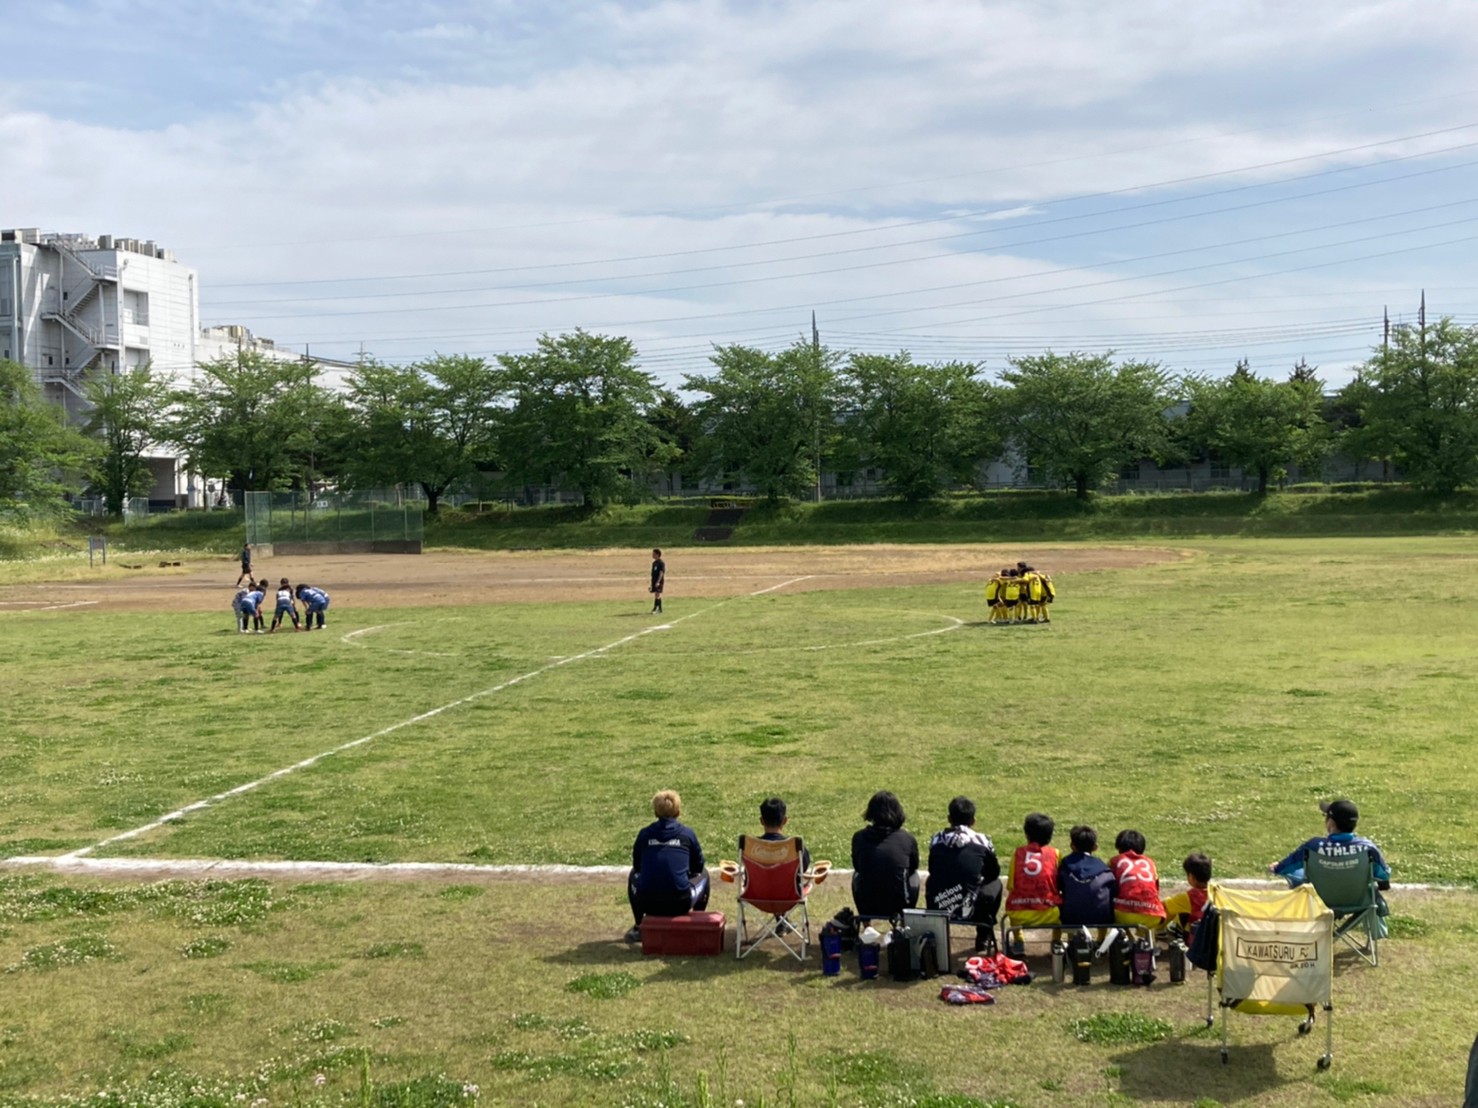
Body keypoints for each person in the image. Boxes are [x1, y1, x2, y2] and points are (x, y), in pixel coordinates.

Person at [1268, 798, 1391, 933]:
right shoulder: (1368, 848)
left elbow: (1285, 868)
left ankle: (1309, 934)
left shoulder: (1313, 846)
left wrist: (1276, 867)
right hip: (1359, 901)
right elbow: (1384, 875)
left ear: (1331, 823)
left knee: (1297, 877)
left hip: (1318, 901)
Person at [626, 789, 709, 943]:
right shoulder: (687, 834)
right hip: (680, 903)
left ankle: (639, 926)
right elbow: (698, 866)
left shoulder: (644, 834)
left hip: (648, 903)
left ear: (655, 813)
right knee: (704, 875)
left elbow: (637, 867)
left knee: (633, 875)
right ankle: (696, 923)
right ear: (678, 812)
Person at [926, 796, 1004, 952]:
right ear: (973, 820)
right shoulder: (982, 841)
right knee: (996, 884)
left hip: (940, 904)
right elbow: (993, 873)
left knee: (930, 881)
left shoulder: (936, 839)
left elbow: (932, 869)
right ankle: (983, 934)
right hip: (974, 907)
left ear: (949, 818)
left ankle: (936, 934)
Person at [850, 790, 919, 919]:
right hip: (899, 904)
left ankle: (866, 924)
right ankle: (905, 922)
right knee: (914, 876)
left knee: (856, 876)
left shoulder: (859, 837)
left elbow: (857, 867)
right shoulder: (907, 839)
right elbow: (913, 868)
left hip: (868, 904)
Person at [1003, 812, 1061, 954]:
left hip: (1019, 913)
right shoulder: (1055, 853)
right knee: (1062, 910)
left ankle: (1018, 941)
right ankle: (1056, 942)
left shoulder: (1018, 853)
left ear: (1026, 835)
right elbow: (1059, 884)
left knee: (1013, 902)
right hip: (1049, 913)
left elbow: (1011, 885)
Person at [1058, 825, 1116, 928]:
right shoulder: (1104, 869)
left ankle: (1069, 940)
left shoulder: (1065, 866)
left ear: (1072, 845)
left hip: (1070, 918)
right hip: (1102, 918)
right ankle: (1100, 939)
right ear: (1095, 847)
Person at [1109, 829, 1167, 932]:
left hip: (1123, 915)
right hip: (1153, 915)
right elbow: (1156, 888)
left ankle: (1120, 939)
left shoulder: (1114, 861)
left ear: (1119, 848)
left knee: (1114, 903)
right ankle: (1144, 941)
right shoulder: (1150, 862)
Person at [1161, 852, 1213, 941]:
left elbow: (1164, 906)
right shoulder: (1217, 892)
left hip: (1194, 942)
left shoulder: (1188, 897)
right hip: (1214, 938)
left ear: (1191, 877)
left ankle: (1160, 932)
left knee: (1171, 907)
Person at [649, 548, 666, 614]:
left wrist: (658, 581)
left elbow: (661, 573)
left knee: (657, 594)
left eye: (654, 554)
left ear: (657, 554)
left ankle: (657, 608)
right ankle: (658, 608)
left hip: (658, 581)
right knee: (656, 594)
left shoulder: (661, 563)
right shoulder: (654, 563)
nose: (652, 555)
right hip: (654, 580)